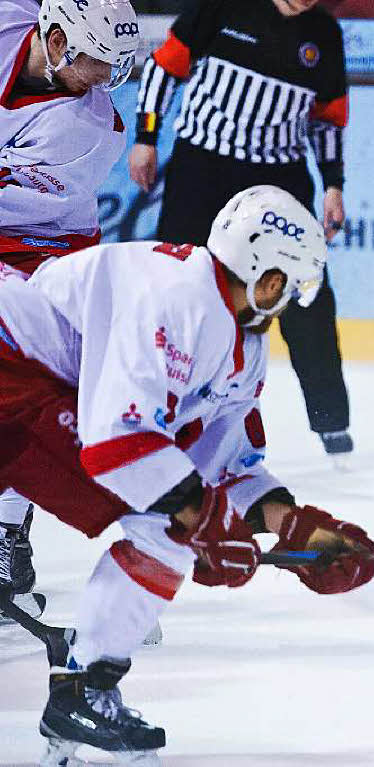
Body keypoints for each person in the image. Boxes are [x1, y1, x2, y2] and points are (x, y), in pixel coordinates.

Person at [0, 185, 374, 764]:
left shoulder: (239, 339)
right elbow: (117, 443)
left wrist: (298, 528)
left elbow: (219, 462)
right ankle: (82, 694)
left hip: (29, 378)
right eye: (290, 283)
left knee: (172, 516)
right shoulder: (175, 297)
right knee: (166, 526)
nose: (288, 299)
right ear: (268, 277)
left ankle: (84, 693)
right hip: (13, 367)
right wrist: (203, 521)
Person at [129, 0, 355, 460]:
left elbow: (328, 118)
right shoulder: (226, 6)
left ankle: (331, 421)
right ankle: (147, 405)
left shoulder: (324, 36)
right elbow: (163, 68)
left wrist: (333, 185)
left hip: (279, 179)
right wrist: (146, 137)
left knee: (307, 293)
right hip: (203, 169)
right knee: (173, 287)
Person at [0, 0, 140, 616]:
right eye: (94, 63)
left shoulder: (87, 127)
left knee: (21, 393)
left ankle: (7, 536)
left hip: (41, 250)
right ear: (53, 39)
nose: (103, 80)